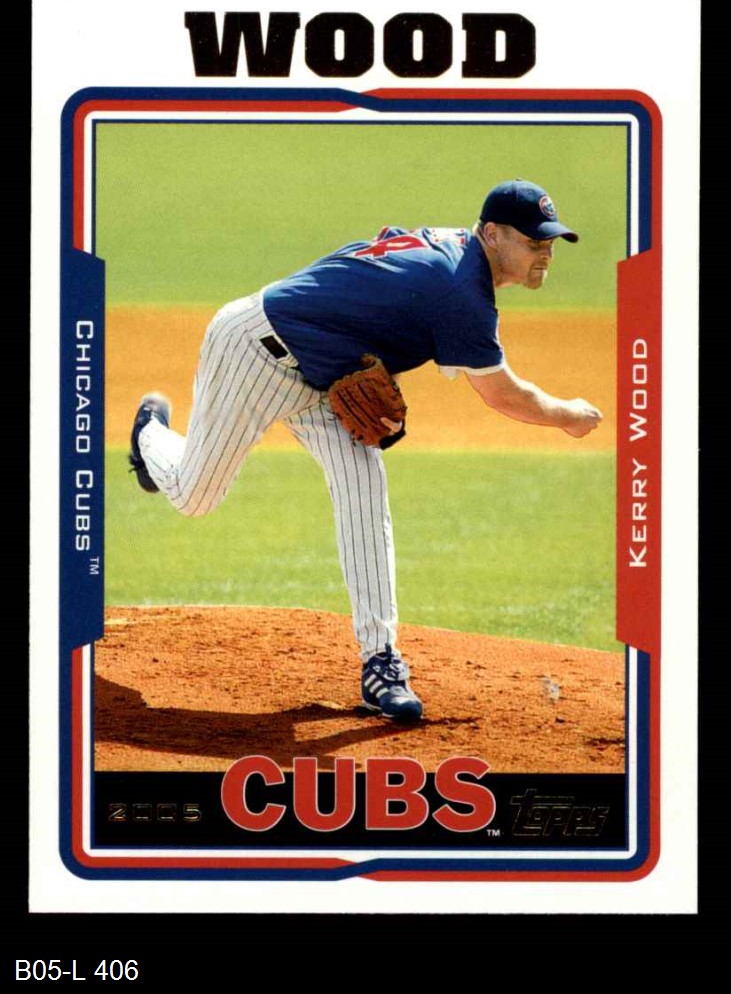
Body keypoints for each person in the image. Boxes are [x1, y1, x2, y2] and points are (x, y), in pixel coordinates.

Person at [128, 178, 602, 721]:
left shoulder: (453, 247)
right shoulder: (462, 291)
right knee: (194, 496)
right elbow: (504, 395)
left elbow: (376, 252)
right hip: (253, 352)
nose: (545, 252)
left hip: (325, 380)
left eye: (550, 241)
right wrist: (569, 415)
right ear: (492, 234)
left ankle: (382, 664)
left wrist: (346, 341)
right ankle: (149, 435)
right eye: (533, 241)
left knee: (365, 495)